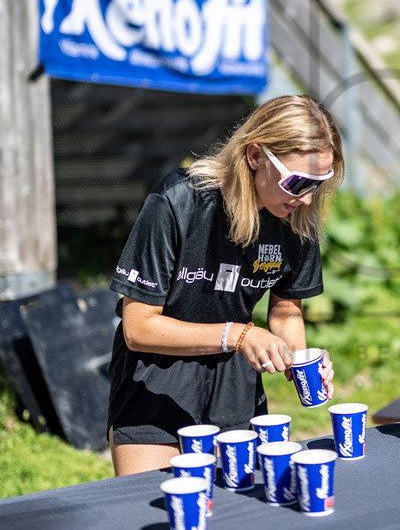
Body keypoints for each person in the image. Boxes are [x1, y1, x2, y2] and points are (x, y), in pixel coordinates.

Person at [107, 95, 342, 476]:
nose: (307, 198)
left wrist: (298, 359)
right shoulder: (179, 200)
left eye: (320, 182)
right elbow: (137, 329)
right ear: (255, 156)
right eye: (298, 181)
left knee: (238, 510)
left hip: (235, 379)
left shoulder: (299, 221)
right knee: (155, 509)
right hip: (155, 379)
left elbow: (284, 309)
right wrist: (238, 335)